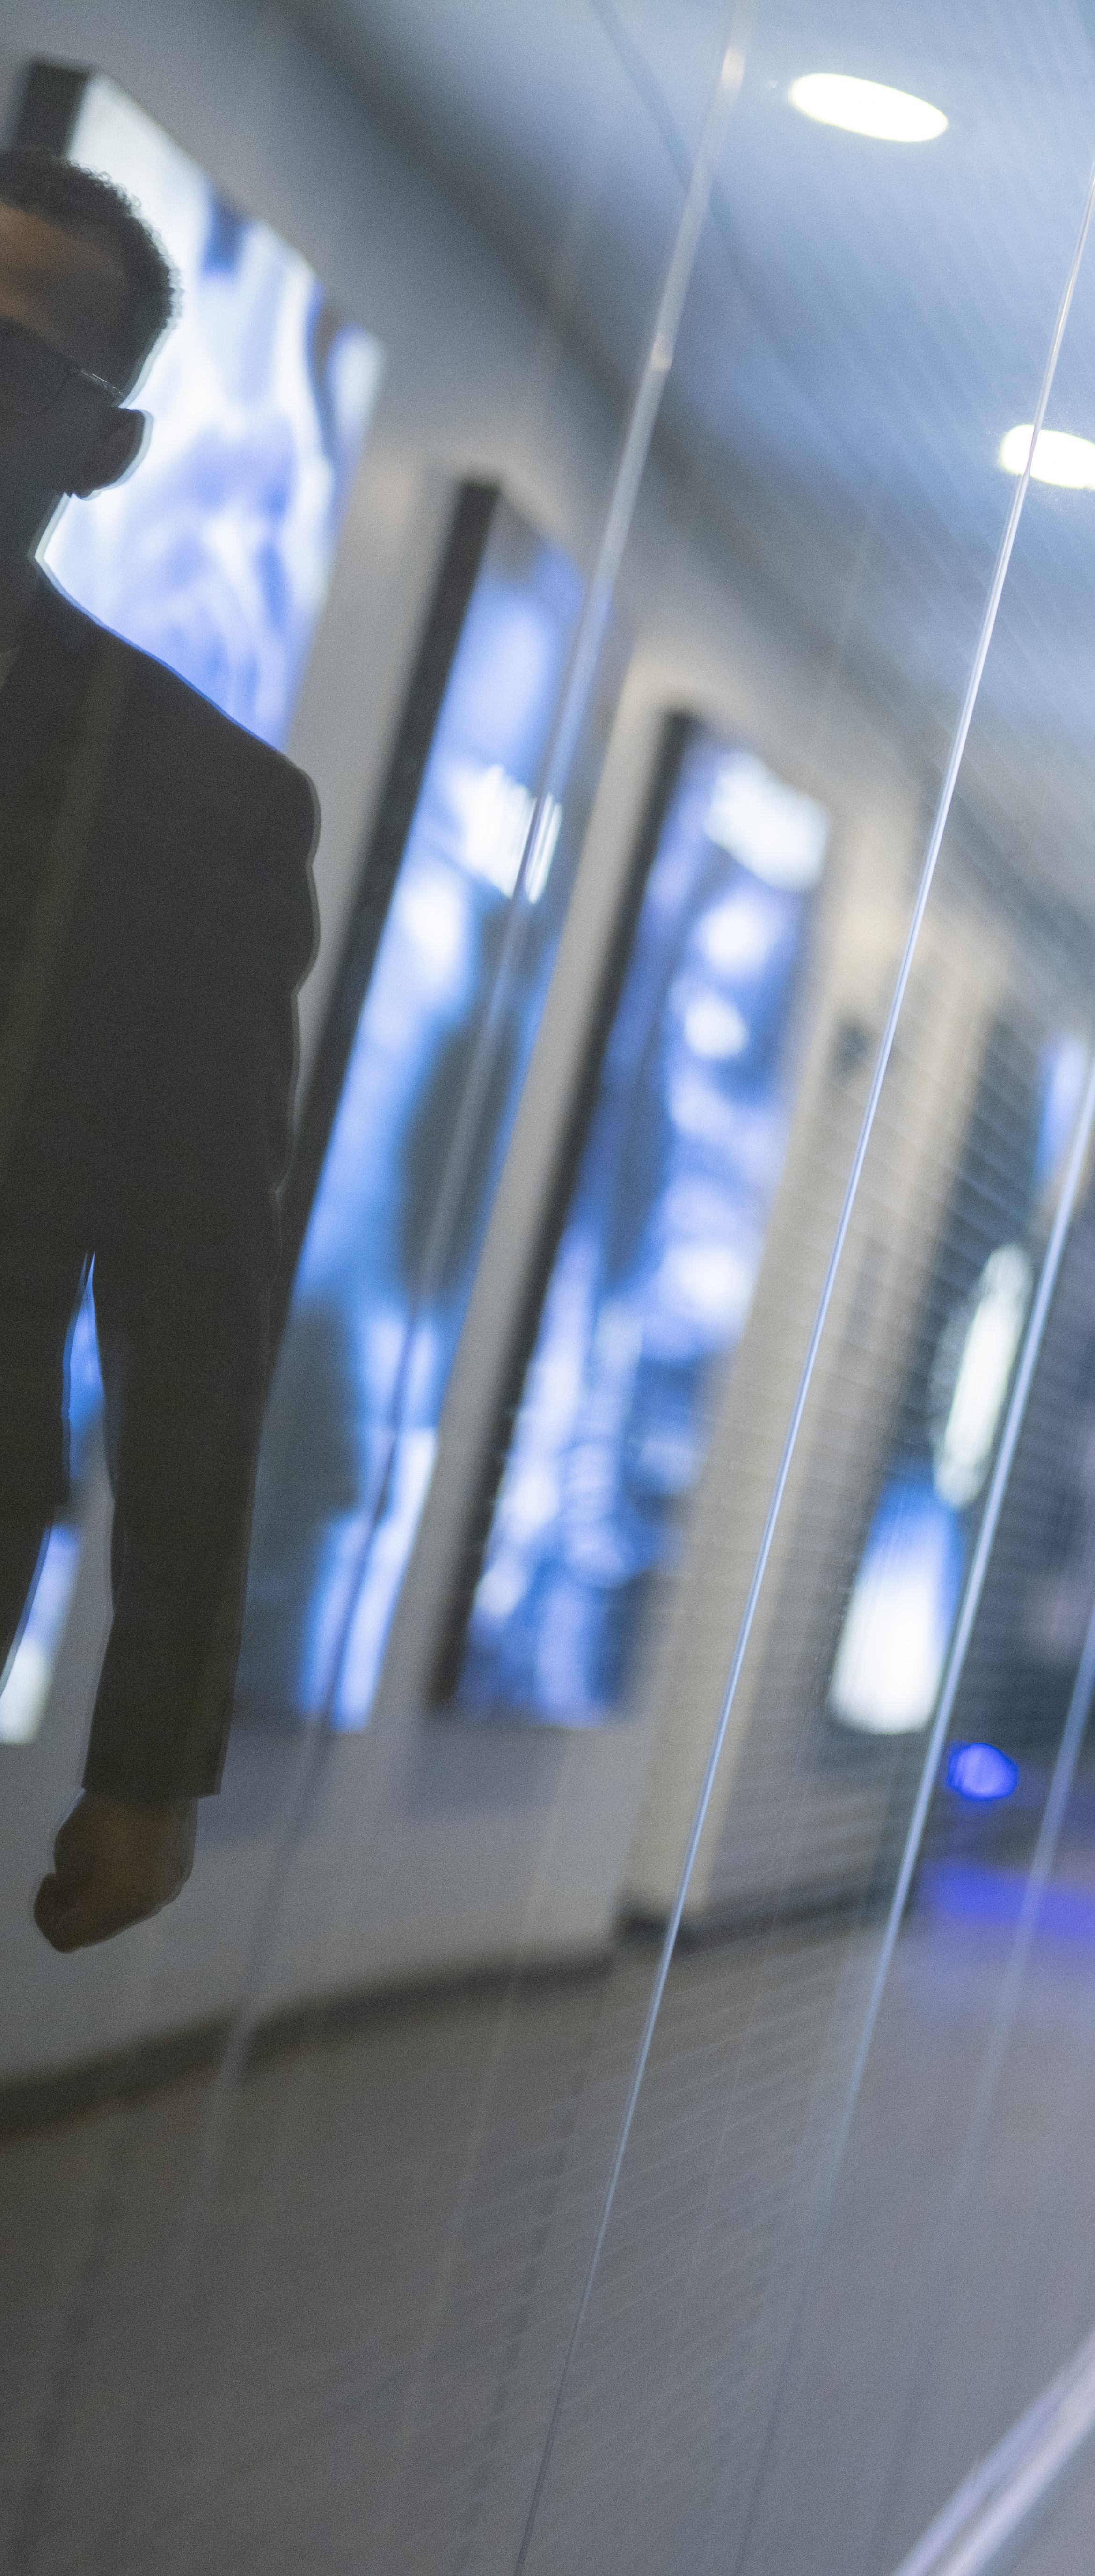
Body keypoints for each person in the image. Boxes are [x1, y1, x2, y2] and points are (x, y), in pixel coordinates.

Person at [0, 147, 319, 1951]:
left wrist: (151, 1760)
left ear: (98, 451)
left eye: (17, 367)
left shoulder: (190, 808)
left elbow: (195, 1311)